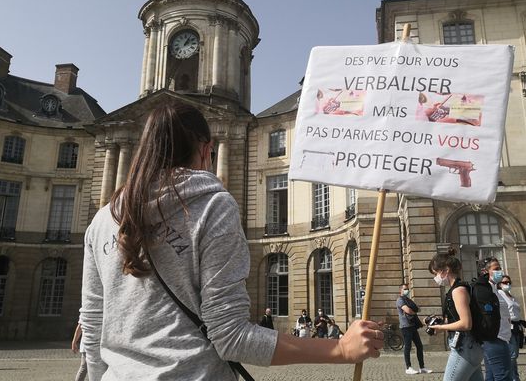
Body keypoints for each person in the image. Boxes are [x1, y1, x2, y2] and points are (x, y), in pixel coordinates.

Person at [79, 103, 385, 380]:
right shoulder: (213, 206)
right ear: (205, 149)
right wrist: (340, 350)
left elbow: (92, 329)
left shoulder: (102, 221)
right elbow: (231, 337)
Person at [428, 248, 484, 381]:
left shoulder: (458, 290)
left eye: (435, 273)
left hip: (464, 347)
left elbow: (466, 323)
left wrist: (441, 328)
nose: (435, 278)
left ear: (446, 270)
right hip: (471, 346)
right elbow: (458, 318)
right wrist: (439, 322)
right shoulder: (458, 289)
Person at [481, 258, 511, 381]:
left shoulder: (495, 289)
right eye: (496, 269)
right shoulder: (486, 289)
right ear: (485, 271)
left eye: (500, 268)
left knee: (492, 376)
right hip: (495, 338)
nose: (500, 271)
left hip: (502, 337)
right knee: (503, 376)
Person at [396, 283, 432, 375]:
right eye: (405, 289)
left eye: (407, 289)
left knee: (419, 346)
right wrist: (413, 311)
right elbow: (408, 310)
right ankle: (408, 367)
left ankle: (422, 367)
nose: (406, 290)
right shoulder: (400, 300)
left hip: (412, 326)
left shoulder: (408, 300)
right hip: (405, 327)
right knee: (407, 347)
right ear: (400, 290)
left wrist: (413, 310)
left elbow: (418, 309)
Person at [497, 275, 522, 381]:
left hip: (516, 326)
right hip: (508, 326)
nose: (507, 284)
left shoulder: (511, 296)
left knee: (514, 354)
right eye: (504, 282)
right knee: (512, 354)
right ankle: (512, 378)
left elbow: (515, 311)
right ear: (499, 284)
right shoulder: (500, 294)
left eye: (508, 282)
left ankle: (514, 377)